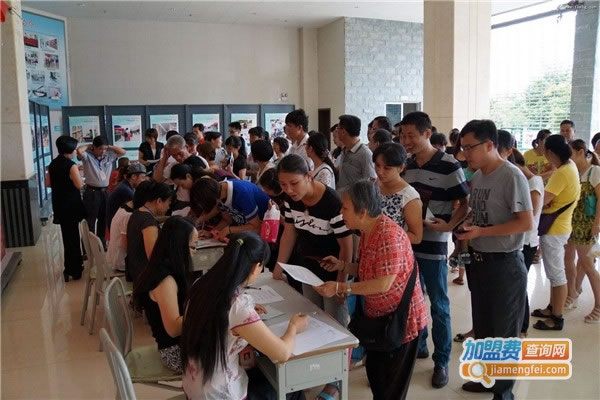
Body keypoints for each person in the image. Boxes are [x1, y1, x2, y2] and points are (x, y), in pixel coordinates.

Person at [314, 180, 427, 400]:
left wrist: (340, 287)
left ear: (363, 212)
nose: (341, 212)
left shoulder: (389, 236)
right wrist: (342, 266)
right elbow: (368, 269)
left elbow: (382, 284)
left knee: (391, 388)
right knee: (377, 376)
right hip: (379, 320)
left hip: (400, 322)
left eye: (345, 208)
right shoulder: (368, 230)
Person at [454, 120, 533, 398]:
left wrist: (482, 231)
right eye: (463, 148)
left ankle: (503, 393)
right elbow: (478, 213)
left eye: (469, 148)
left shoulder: (512, 176)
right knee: (484, 327)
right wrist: (465, 225)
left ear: (489, 144)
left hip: (505, 265)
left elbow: (525, 222)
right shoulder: (478, 177)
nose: (465, 154)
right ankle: (487, 379)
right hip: (480, 262)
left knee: (504, 332)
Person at [181, 232, 307, 400]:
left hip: (194, 385)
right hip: (220, 393)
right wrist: (294, 327)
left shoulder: (200, 285)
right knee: (293, 386)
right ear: (256, 266)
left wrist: (248, 309)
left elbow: (220, 312)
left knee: (262, 370)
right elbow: (282, 353)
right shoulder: (238, 306)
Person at [274, 154, 353, 400]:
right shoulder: (290, 199)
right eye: (283, 185)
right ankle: (317, 369)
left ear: (308, 176)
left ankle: (335, 381)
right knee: (313, 318)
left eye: (294, 183)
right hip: (306, 269)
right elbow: (289, 233)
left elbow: (346, 246)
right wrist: (279, 266)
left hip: (332, 271)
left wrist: (340, 283)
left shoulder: (332, 202)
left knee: (336, 323)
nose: (289, 190)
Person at [401, 111, 469, 388]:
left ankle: (441, 361)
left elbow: (465, 202)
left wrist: (450, 225)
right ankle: (419, 346)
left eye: (411, 136)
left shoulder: (449, 165)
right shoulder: (406, 164)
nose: (406, 141)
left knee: (439, 304)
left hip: (434, 245)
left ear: (427, 133)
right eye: (402, 136)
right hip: (409, 243)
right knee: (413, 301)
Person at [134, 216, 197, 372]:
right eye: (193, 247)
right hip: (175, 354)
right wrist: (205, 310)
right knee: (235, 351)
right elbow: (174, 329)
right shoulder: (165, 281)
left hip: (180, 345)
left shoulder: (162, 267)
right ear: (179, 247)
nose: (195, 252)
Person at [531, 135, 580, 331]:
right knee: (553, 273)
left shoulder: (562, 173)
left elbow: (541, 201)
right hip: (561, 225)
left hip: (554, 229)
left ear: (551, 152)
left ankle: (557, 318)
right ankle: (551, 308)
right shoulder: (570, 166)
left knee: (557, 274)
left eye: (544, 149)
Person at [503, 144, 544, 337]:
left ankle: (522, 326)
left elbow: (530, 214)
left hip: (527, 241)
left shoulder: (533, 182)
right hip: (521, 240)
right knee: (515, 285)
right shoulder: (528, 181)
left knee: (519, 286)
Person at [564, 139, 600, 323]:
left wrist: (597, 223)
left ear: (580, 152)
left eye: (570, 152)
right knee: (568, 259)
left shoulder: (595, 171)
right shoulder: (574, 172)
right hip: (571, 223)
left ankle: (599, 306)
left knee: (587, 264)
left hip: (587, 224)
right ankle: (573, 291)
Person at [47, 136, 86, 282]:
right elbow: (79, 185)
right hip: (71, 204)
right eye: (74, 149)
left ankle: (69, 267)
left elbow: (48, 183)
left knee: (67, 236)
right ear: (69, 149)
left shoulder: (52, 164)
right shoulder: (71, 165)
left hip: (59, 203)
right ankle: (74, 269)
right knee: (74, 237)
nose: (76, 151)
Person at [77, 136, 126, 247]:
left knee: (103, 219)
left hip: (105, 192)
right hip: (92, 192)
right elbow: (79, 151)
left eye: (104, 149)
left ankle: (101, 244)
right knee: (90, 220)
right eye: (100, 149)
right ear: (94, 147)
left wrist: (108, 147)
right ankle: (87, 248)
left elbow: (123, 152)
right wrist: (89, 146)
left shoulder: (109, 156)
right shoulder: (87, 156)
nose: (103, 151)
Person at [373, 142, 423, 245]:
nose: (380, 171)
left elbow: (416, 237)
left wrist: (385, 234)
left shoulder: (408, 196)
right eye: (377, 165)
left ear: (401, 168)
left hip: (391, 250)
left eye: (387, 168)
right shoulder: (376, 185)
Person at [189, 177, 269, 240]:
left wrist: (228, 230)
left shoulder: (242, 194)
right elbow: (227, 220)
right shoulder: (218, 192)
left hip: (266, 232)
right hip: (247, 231)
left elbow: (256, 226)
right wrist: (211, 233)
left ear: (214, 201)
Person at [126, 180, 173, 283]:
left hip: (135, 272)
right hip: (145, 279)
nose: (168, 207)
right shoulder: (149, 223)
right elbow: (153, 258)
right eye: (168, 202)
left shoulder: (137, 213)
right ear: (159, 201)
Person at [336, 114, 377, 192]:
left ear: (343, 132)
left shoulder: (365, 154)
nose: (337, 131)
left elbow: (370, 183)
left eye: (338, 128)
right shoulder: (344, 149)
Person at [107, 163, 148, 230]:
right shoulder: (126, 191)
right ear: (134, 176)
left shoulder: (125, 185)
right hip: (117, 229)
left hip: (115, 225)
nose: (144, 180)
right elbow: (139, 212)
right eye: (143, 177)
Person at [106, 198, 134, 273]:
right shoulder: (127, 216)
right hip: (122, 262)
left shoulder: (121, 210)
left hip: (114, 257)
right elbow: (124, 244)